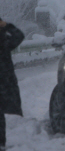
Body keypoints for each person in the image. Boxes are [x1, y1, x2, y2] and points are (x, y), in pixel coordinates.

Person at [0, 18, 25, 150]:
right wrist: (8, 26)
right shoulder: (3, 40)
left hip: (4, 81)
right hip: (5, 80)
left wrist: (6, 26)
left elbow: (19, 36)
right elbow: (18, 36)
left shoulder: (3, 40)